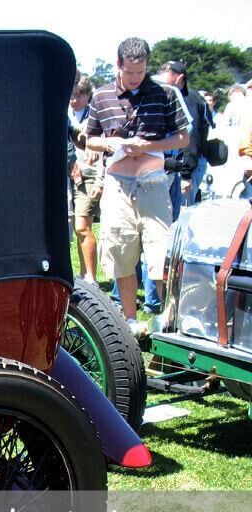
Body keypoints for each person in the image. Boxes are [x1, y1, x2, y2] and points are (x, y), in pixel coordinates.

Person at [85, 37, 190, 334]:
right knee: (121, 251)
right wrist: (112, 143)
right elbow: (90, 137)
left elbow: (184, 138)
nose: (135, 77)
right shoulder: (102, 95)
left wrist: (150, 146)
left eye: (141, 71)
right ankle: (131, 322)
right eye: (130, 72)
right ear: (118, 65)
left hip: (153, 182)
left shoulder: (165, 93)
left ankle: (172, 321)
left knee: (161, 253)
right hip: (118, 184)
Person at [158, 61, 210, 208]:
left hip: (178, 166)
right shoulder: (180, 96)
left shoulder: (185, 98)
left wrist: (186, 173)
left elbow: (189, 137)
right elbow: (190, 139)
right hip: (171, 167)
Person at [69, 76, 103, 283]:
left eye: (79, 95)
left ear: (88, 95)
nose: (74, 99)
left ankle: (90, 277)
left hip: (89, 174)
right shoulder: (65, 114)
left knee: (83, 225)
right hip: (68, 175)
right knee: (74, 228)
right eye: (72, 95)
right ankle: (81, 275)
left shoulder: (95, 115)